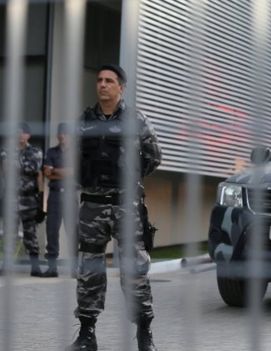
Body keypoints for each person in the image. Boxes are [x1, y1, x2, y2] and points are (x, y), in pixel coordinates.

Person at [68, 64, 161, 351]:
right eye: (99, 80)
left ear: (121, 87)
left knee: (135, 271)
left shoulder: (136, 119)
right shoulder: (84, 121)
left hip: (126, 206)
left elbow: (153, 156)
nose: (103, 85)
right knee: (89, 270)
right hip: (92, 207)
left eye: (109, 81)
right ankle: (87, 334)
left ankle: (144, 332)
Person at [0, 122, 45, 276]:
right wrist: (26, 167)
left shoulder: (36, 151)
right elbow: (6, 171)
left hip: (30, 199)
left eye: (23, 132)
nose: (20, 135)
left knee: (30, 234)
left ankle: (35, 266)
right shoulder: (6, 151)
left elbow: (37, 171)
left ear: (28, 135)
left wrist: (40, 198)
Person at [42, 122, 77, 277]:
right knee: (52, 231)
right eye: (60, 133)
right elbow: (47, 173)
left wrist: (55, 171)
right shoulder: (51, 152)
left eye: (66, 133)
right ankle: (52, 268)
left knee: (73, 231)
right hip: (55, 195)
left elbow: (73, 172)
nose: (63, 136)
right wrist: (63, 172)